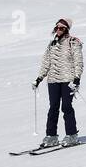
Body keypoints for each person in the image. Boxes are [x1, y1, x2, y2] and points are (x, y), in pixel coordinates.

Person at [31, 18, 83, 147]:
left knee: (66, 106)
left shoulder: (73, 42)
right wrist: (39, 78)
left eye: (61, 28)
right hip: (53, 80)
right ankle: (51, 136)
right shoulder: (52, 44)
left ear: (66, 29)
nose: (58, 30)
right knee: (53, 107)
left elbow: (78, 62)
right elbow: (46, 63)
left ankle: (71, 135)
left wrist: (77, 78)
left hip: (68, 80)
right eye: (57, 28)